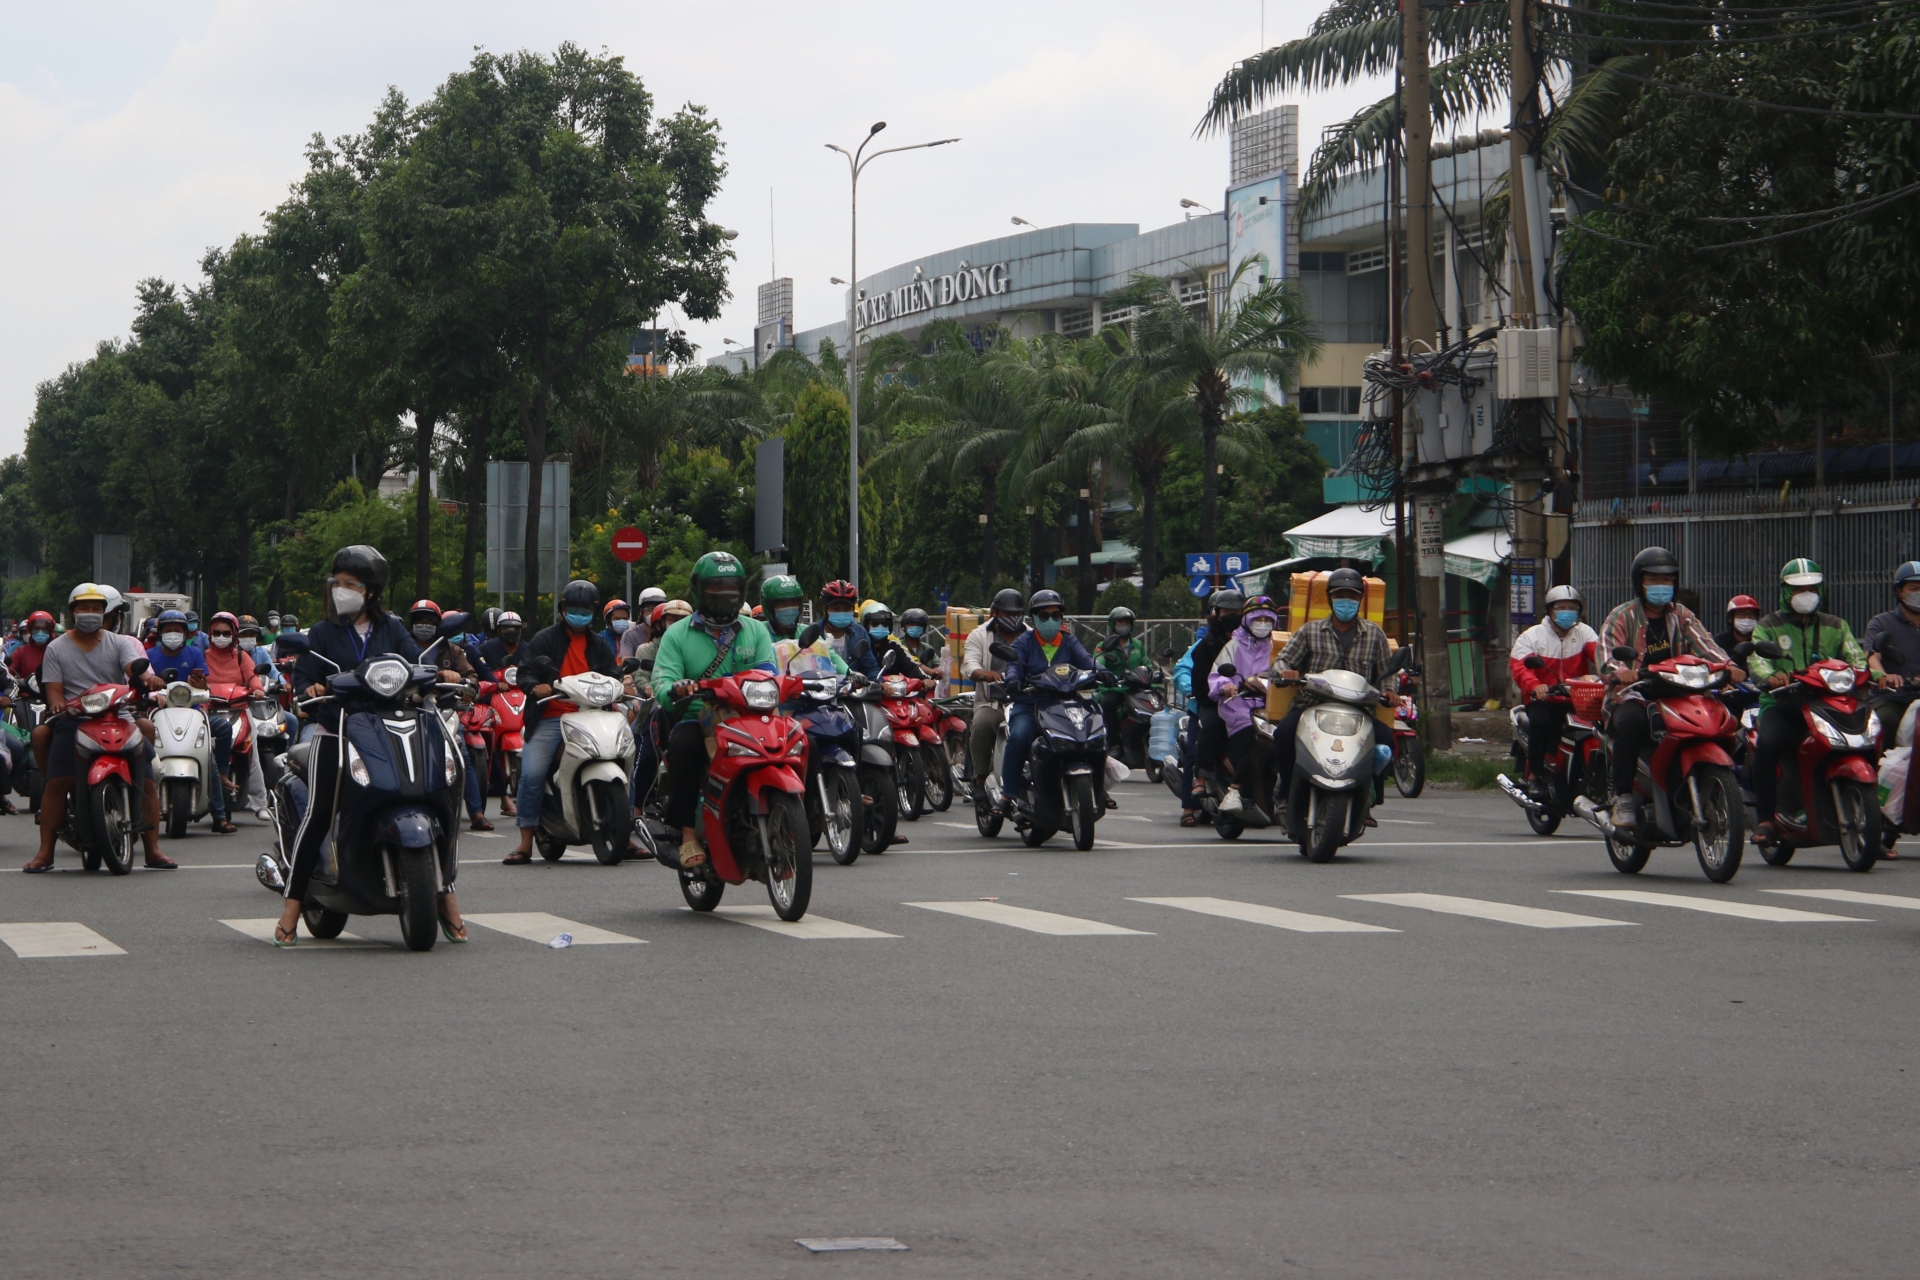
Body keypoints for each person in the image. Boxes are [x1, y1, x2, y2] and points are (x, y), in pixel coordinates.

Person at [272, 546, 465, 945]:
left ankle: (445, 893)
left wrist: (438, 672)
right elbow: (303, 682)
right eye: (337, 582)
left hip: (394, 727)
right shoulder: (320, 635)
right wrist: (312, 688)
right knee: (320, 812)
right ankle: (292, 906)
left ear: (371, 592)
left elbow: (416, 667)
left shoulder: (393, 628)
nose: (340, 589)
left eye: (350, 584)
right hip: (338, 728)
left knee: (443, 791)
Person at [23, 583, 173, 873]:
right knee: (57, 783)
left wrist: (148, 680)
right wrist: (57, 705)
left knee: (148, 781)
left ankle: (153, 850)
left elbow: (134, 671)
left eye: (96, 609)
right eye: (84, 608)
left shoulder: (120, 643)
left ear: (104, 614)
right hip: (74, 719)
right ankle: (45, 853)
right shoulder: (56, 647)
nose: (90, 614)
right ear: (72, 613)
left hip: (119, 716)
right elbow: (54, 690)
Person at [650, 553, 777, 868]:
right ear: (699, 591)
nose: (725, 595)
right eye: (716, 588)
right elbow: (663, 679)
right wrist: (675, 689)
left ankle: (799, 814)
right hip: (698, 716)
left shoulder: (757, 631)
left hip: (750, 718)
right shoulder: (676, 634)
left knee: (804, 742)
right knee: (684, 747)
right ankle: (687, 834)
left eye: (732, 588)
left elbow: (768, 672)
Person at [1597, 546, 1732, 828]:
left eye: (1667, 580)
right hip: (1633, 695)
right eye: (1653, 580)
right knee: (1631, 723)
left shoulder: (1682, 615)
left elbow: (1707, 647)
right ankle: (1622, 796)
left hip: (1678, 693)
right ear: (1640, 582)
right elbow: (1606, 656)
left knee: (1718, 718)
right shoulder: (1622, 616)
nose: (1661, 586)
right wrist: (1622, 673)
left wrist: (1729, 666)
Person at [498, 581, 626, 862]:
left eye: (586, 610)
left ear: (594, 611)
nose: (579, 615)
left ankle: (625, 832)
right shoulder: (545, 639)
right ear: (564, 609)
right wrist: (536, 685)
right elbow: (525, 672)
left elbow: (612, 673)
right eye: (574, 609)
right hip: (551, 717)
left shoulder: (599, 644)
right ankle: (525, 842)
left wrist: (622, 682)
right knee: (532, 775)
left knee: (625, 759)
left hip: (593, 714)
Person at [1745, 558, 1870, 844]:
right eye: (1798, 589)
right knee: (1767, 745)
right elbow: (1758, 663)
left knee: (1867, 739)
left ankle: (1877, 823)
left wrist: (1871, 675)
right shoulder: (1768, 626)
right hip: (1783, 704)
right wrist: (1774, 677)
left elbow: (1857, 660)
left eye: (1812, 588)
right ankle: (1766, 820)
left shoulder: (1836, 626)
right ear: (1784, 592)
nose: (1806, 594)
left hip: (1829, 704)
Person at [1271, 569, 1394, 809]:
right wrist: (1285, 672)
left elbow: (1387, 673)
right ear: (1330, 599)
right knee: (1283, 734)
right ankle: (1285, 791)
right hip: (1311, 706)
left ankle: (1370, 799)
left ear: (1359, 599)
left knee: (1386, 740)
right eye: (1340, 595)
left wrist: (1390, 691)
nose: (1346, 600)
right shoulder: (1310, 631)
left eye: (1352, 595)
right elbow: (1282, 661)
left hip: (1359, 711)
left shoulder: (1375, 635)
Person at [996, 589, 1096, 817]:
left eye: (1055, 615)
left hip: (1065, 706)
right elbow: (1014, 665)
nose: (1051, 620)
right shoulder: (1024, 642)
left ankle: (1099, 787)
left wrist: (1103, 672)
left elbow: (1088, 662)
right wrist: (1012, 680)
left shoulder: (1070, 642)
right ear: (1034, 618)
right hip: (1031, 706)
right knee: (1020, 736)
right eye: (1044, 616)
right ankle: (1007, 795)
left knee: (1094, 735)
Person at [1508, 585, 1599, 799]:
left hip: (1576, 699)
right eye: (1562, 607)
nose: (1567, 611)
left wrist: (1611, 674)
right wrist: (1535, 685)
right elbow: (1519, 666)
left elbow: (1602, 657)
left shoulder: (1584, 633)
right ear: (1550, 610)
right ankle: (1535, 777)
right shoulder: (1532, 636)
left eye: (1572, 607)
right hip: (1543, 699)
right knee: (1540, 723)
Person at [1207, 595, 1284, 813]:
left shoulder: (1279, 646)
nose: (1262, 623)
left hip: (1272, 708)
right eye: (1257, 618)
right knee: (1256, 741)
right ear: (1247, 620)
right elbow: (1217, 673)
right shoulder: (1234, 645)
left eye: (1267, 619)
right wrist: (1226, 686)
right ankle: (1235, 790)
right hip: (1239, 707)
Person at [198, 611, 264, 834]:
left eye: (226, 633)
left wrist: (257, 690)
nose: (221, 636)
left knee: (252, 751)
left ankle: (260, 803)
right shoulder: (203, 656)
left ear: (234, 634)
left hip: (240, 710)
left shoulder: (241, 657)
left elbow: (253, 677)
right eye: (216, 632)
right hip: (208, 712)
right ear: (209, 633)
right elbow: (194, 679)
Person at [1185, 589, 1246, 808]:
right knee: (1211, 725)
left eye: (1237, 612)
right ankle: (1200, 778)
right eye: (1227, 612)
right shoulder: (1207, 644)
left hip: (1247, 701)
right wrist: (1220, 694)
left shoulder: (1249, 641)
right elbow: (1200, 683)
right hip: (1214, 701)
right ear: (1217, 613)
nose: (1232, 616)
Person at [963, 589, 1026, 799]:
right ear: (995, 613)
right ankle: (980, 779)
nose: (1013, 619)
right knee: (981, 723)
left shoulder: (1030, 635)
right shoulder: (979, 635)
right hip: (993, 702)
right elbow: (970, 665)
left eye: (1017, 614)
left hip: (1026, 701)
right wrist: (984, 674)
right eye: (1008, 614)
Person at [797, 579, 878, 679]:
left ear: (853, 610)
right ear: (824, 609)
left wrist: (877, 683)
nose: (842, 612)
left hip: (852, 691)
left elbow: (871, 667)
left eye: (847, 609)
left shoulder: (859, 633)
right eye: (836, 609)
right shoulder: (811, 633)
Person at [861, 604, 929, 677]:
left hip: (893, 687)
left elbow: (910, 666)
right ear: (866, 624)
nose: (880, 626)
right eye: (875, 623)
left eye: (884, 623)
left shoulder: (895, 647)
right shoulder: (862, 647)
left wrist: (924, 678)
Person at [622, 587, 668, 660]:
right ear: (641, 611)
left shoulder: (670, 633)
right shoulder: (630, 635)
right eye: (649, 609)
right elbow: (626, 663)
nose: (654, 613)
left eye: (659, 608)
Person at [10, 611, 54, 682]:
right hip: (26, 692)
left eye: (44, 629)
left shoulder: (57, 650)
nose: (40, 632)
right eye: (36, 629)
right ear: (30, 630)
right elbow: (8, 673)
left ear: (50, 631)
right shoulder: (20, 652)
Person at [762, 575, 805, 642]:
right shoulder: (758, 633)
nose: (790, 610)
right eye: (783, 604)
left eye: (793, 603)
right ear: (768, 607)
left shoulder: (807, 632)